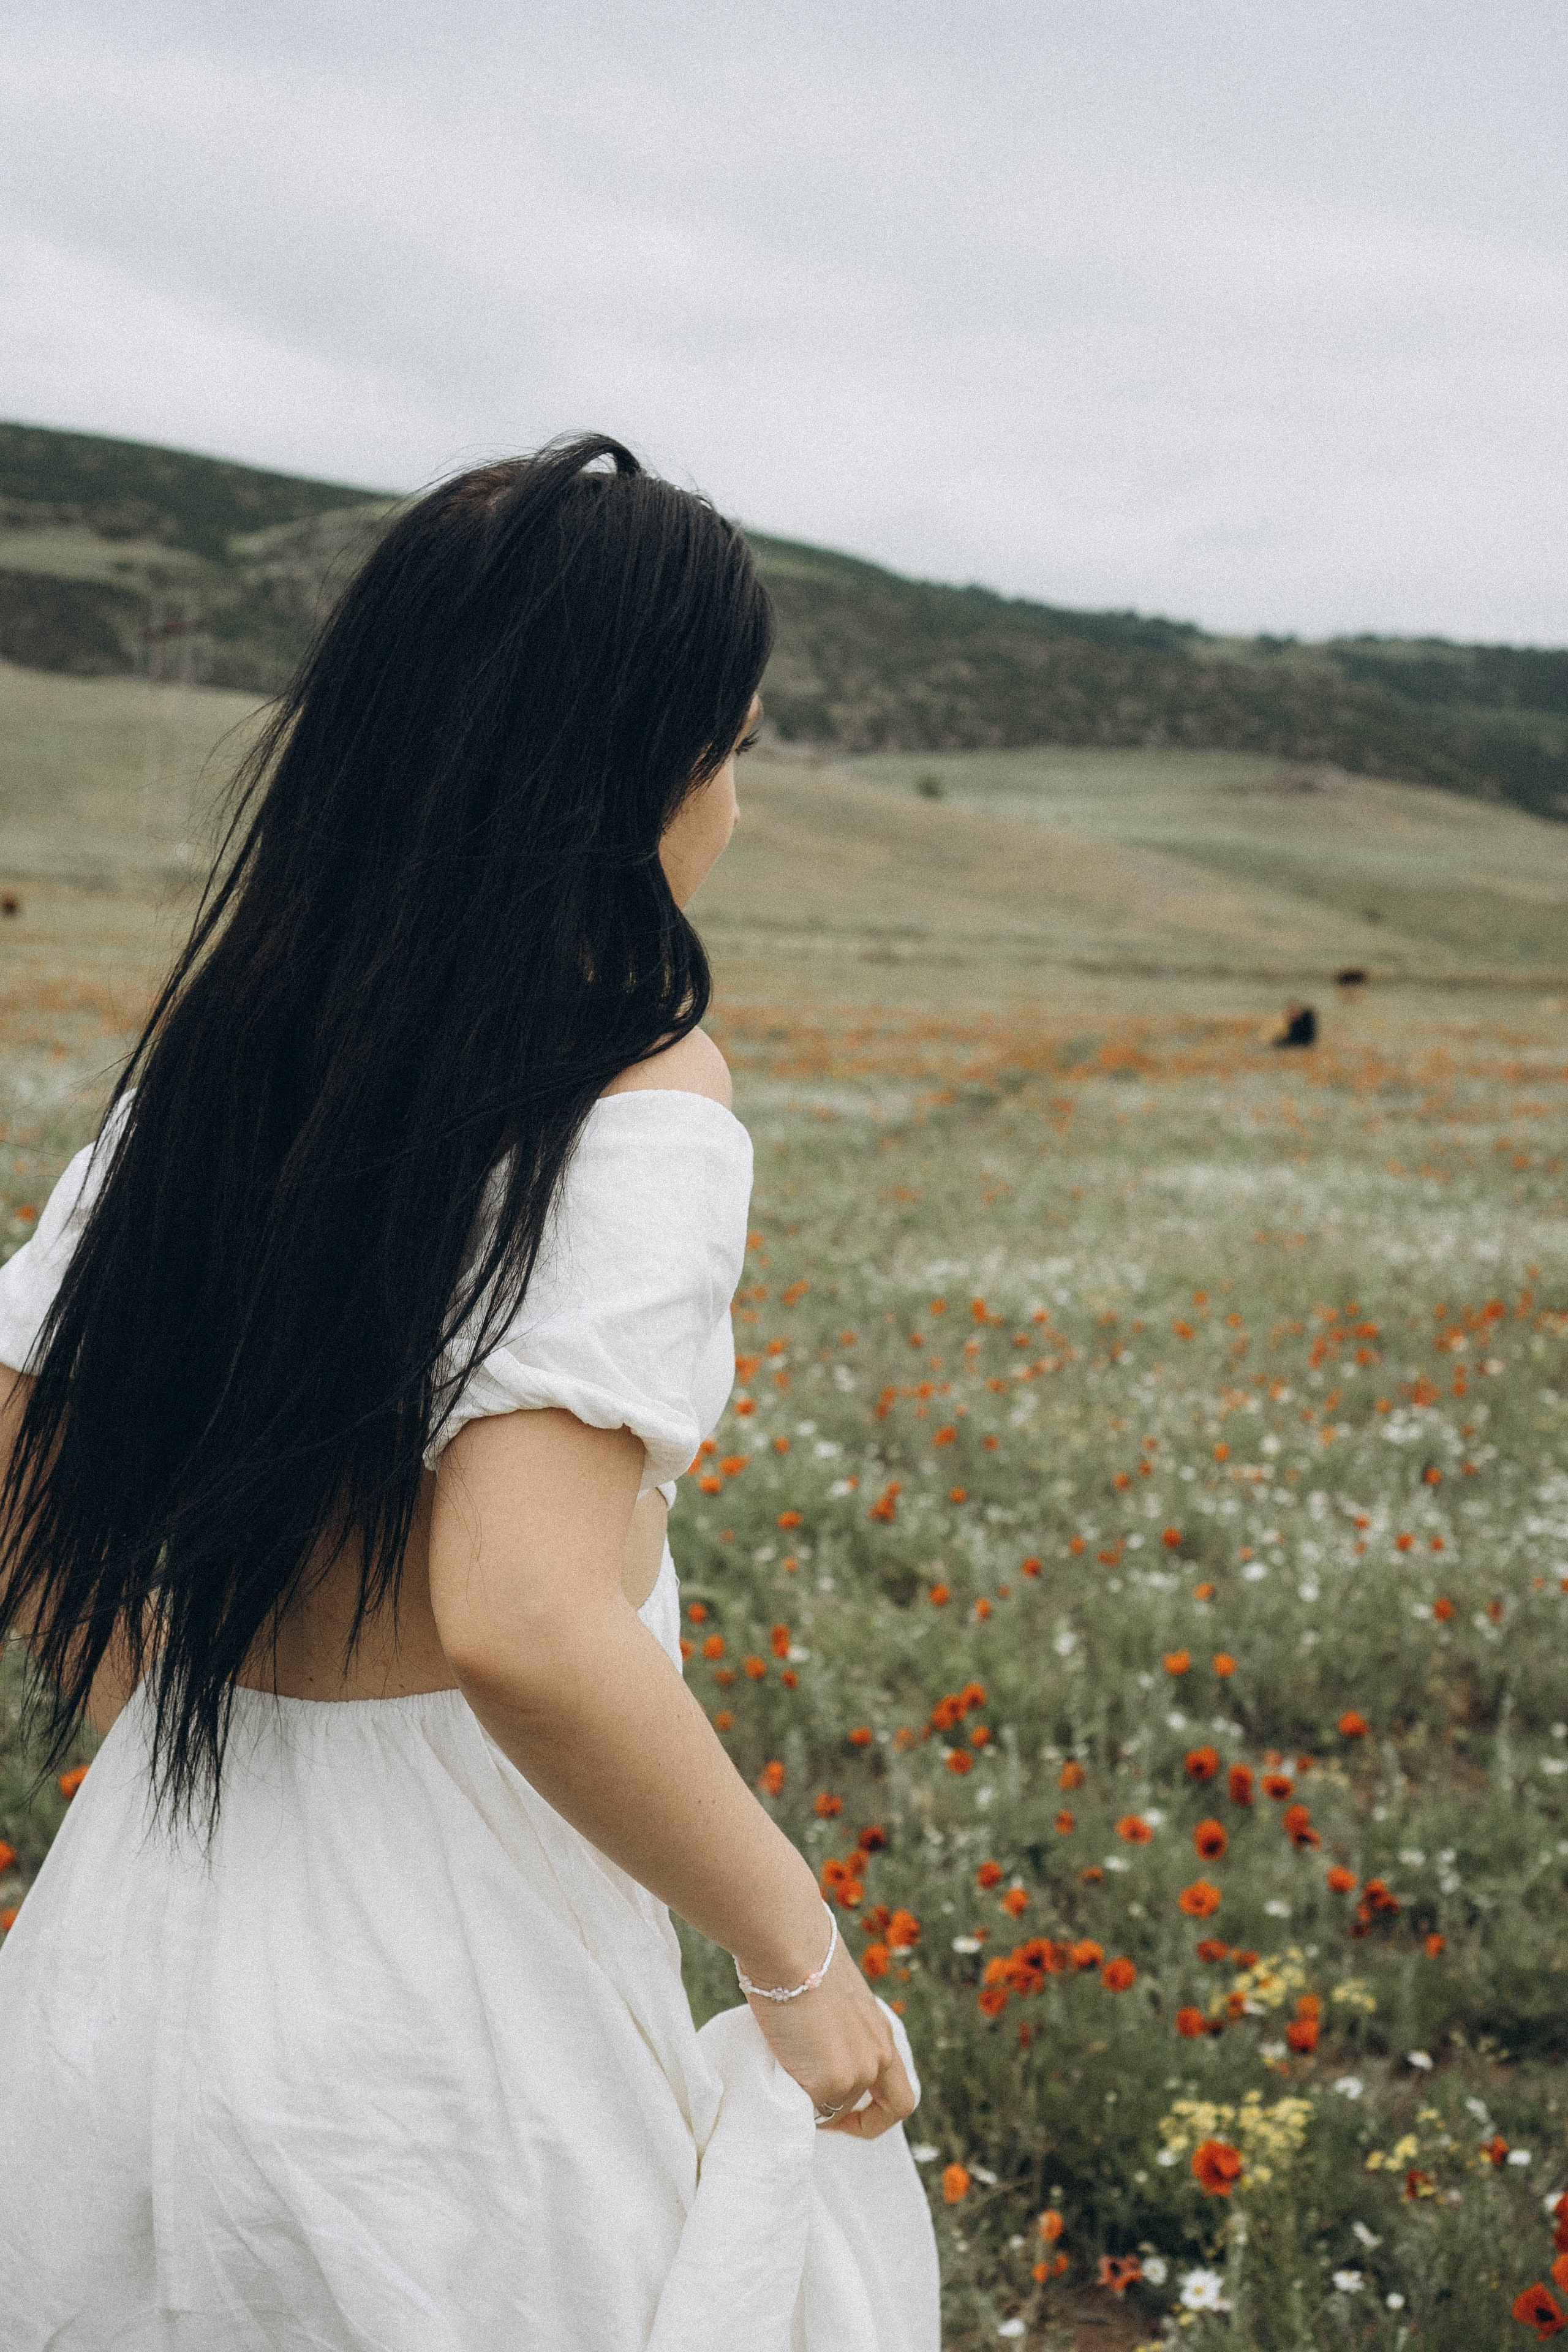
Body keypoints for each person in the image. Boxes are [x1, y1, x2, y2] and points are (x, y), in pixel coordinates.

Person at [0, 436, 939, 2350]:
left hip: (131, 1936)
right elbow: (519, 1619)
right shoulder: (635, 1090)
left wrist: (155, 1705)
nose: (734, 807)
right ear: (627, 765)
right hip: (441, 2022)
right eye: (729, 745)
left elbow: (20, 1439)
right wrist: (797, 1956)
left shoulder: (225, 1049)